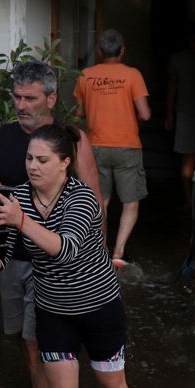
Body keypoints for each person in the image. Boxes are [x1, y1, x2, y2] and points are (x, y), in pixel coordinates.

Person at [0, 122, 136, 388]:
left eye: (42, 160)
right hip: (53, 311)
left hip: (99, 309)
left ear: (65, 162)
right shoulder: (19, 197)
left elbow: (65, 250)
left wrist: (21, 220)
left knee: (111, 385)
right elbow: (6, 254)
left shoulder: (82, 198)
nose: (32, 166)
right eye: (29, 158)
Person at [0, 60, 101, 388]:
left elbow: (93, 202)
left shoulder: (73, 140)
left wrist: (97, 263)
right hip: (10, 259)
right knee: (24, 338)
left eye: (30, 98)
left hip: (54, 260)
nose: (21, 105)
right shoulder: (2, 136)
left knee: (39, 339)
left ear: (50, 99)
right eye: (17, 97)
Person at [73, 28, 151, 267]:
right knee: (130, 201)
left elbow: (78, 113)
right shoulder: (132, 75)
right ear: (122, 51)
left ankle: (99, 250)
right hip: (127, 146)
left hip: (95, 146)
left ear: (99, 51)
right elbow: (145, 114)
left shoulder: (85, 75)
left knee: (100, 200)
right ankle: (118, 253)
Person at [166, 24, 195, 210]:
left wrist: (170, 114)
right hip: (188, 114)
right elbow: (172, 86)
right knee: (191, 161)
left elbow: (172, 86)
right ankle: (192, 201)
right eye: (193, 39)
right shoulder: (181, 59)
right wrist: (169, 114)